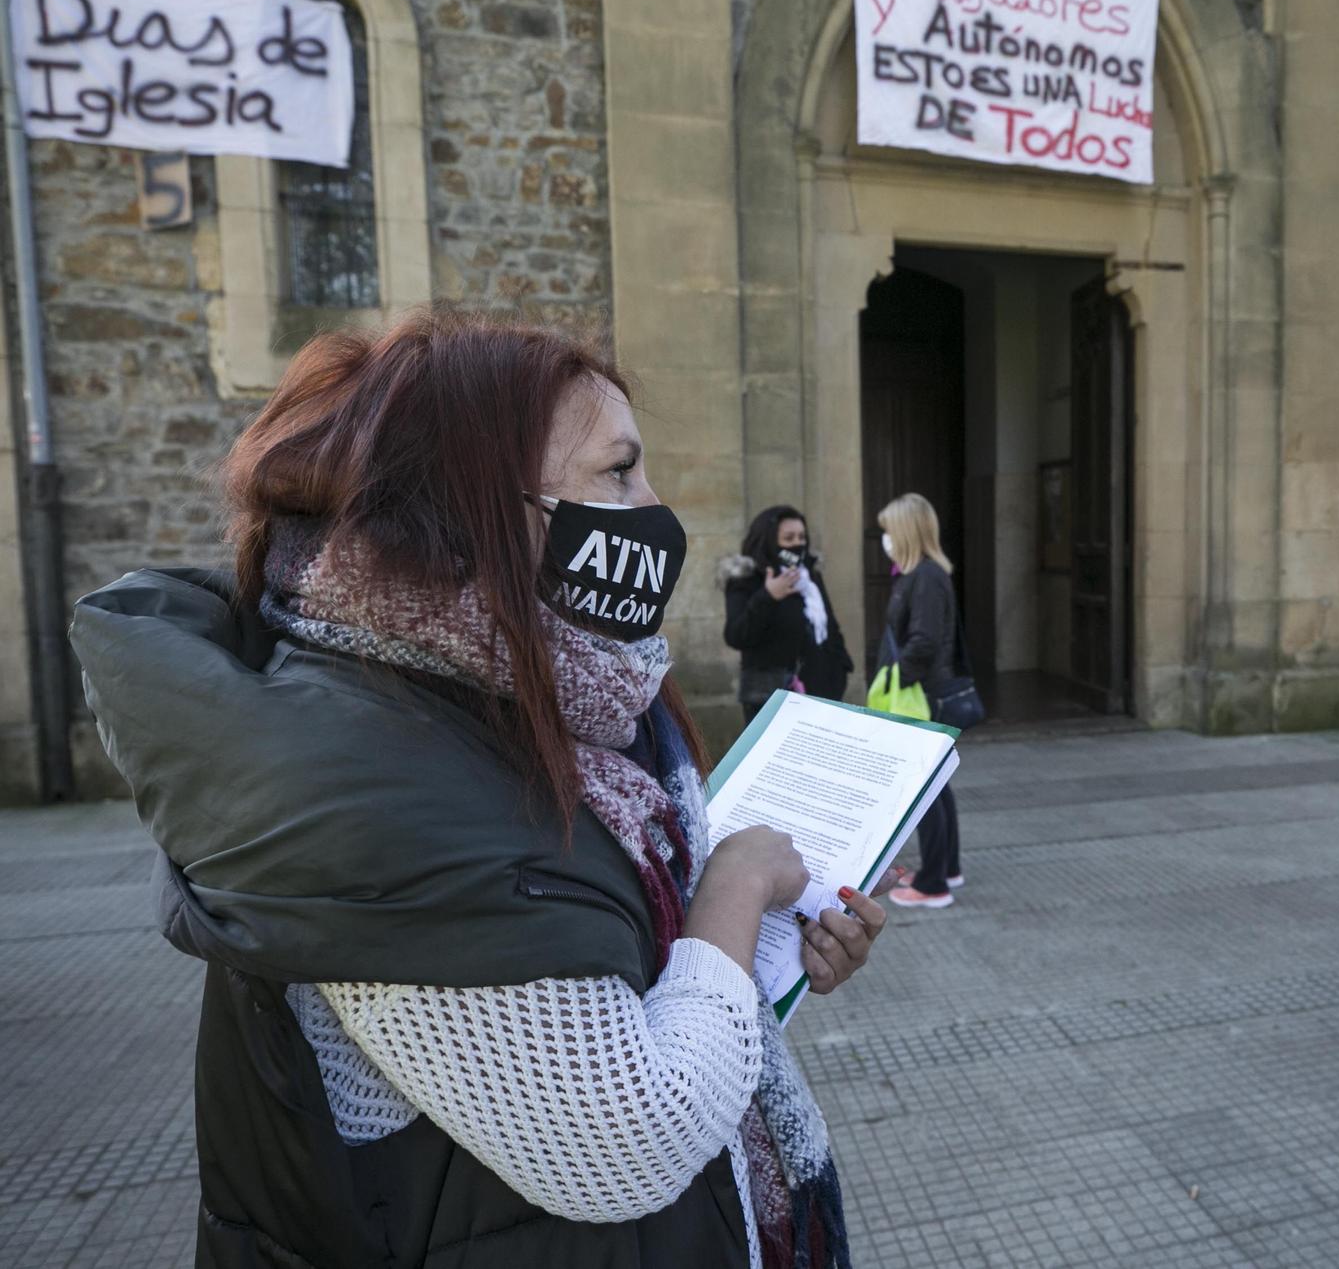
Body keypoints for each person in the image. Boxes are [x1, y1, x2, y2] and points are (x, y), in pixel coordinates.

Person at [70, 312, 879, 1268]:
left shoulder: (575, 690)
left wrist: (770, 944)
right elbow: (635, 1133)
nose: (658, 507)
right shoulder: (375, 791)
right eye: (619, 472)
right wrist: (738, 887)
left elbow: (626, 952)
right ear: (477, 509)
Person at [876, 492, 966, 909]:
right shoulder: (919, 574)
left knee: (923, 791)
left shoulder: (926, 577)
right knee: (936, 786)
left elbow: (924, 641)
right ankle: (946, 867)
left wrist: (896, 679)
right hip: (920, 693)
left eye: (889, 530)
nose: (886, 539)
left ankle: (932, 885)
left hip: (918, 698)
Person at [720, 505, 855, 725]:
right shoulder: (746, 579)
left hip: (820, 696)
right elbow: (736, 635)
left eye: (802, 537)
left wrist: (841, 667)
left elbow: (830, 626)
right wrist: (768, 596)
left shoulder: (809, 576)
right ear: (769, 541)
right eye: (788, 538)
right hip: (770, 700)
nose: (797, 544)